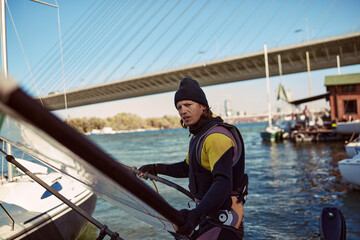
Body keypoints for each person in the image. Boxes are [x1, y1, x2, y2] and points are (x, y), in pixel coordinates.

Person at [138, 77, 247, 239]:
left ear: (203, 107)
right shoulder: (199, 136)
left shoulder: (216, 136)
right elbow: (187, 168)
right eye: (179, 107)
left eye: (188, 105)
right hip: (208, 216)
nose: (182, 111)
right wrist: (155, 168)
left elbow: (223, 183)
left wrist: (194, 216)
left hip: (225, 220)